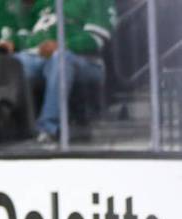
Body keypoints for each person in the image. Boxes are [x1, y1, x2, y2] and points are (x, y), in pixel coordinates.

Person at [12, 0, 113, 144]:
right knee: (5, 61)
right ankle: (7, 128)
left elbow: (96, 39)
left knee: (60, 58)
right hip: (37, 56)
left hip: (84, 61)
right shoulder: (45, 2)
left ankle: (49, 128)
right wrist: (9, 42)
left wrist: (62, 45)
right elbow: (25, 34)